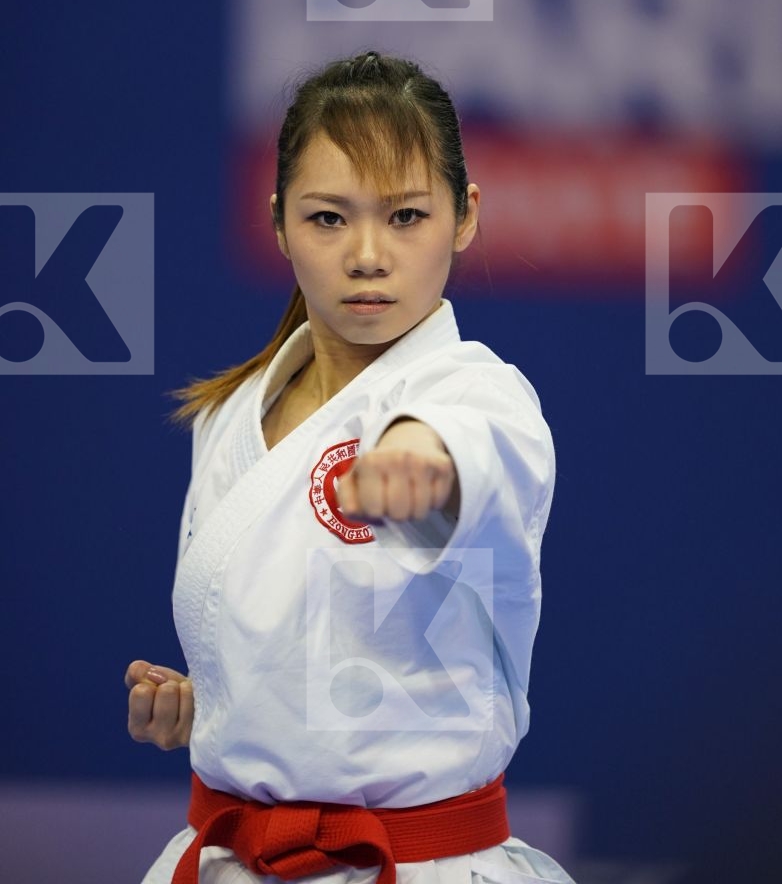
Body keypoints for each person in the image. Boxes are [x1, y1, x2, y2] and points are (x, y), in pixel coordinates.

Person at [126, 51, 576, 884]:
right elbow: (300, 634)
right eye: (328, 218)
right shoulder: (230, 413)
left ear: (465, 215)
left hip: (418, 865)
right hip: (224, 857)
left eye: (406, 216)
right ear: (279, 221)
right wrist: (216, 702)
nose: (368, 255)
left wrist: (420, 465)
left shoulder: (480, 395)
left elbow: (463, 446)